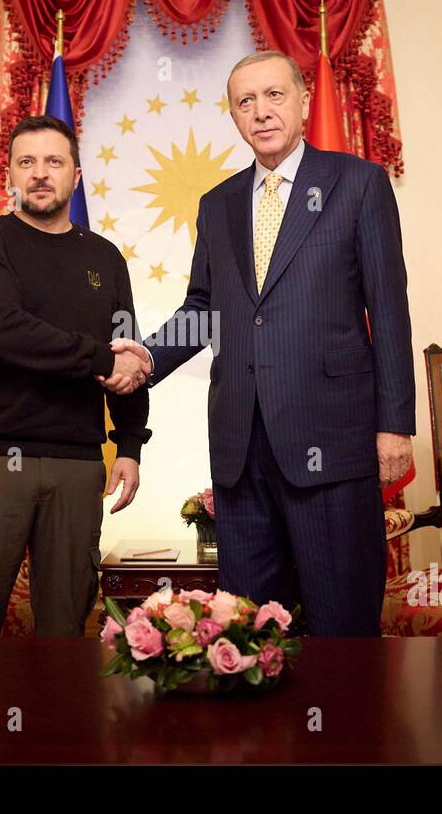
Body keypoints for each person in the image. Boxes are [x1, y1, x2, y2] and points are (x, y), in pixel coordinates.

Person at [115, 51, 414, 636]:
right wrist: (148, 356)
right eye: (245, 101)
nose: (261, 111)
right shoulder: (218, 204)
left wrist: (394, 423)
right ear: (233, 116)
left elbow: (390, 310)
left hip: (332, 442)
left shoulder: (358, 184)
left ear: (303, 101)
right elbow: (204, 309)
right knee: (249, 635)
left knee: (342, 631)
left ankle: (344, 729)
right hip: (240, 451)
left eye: (274, 95)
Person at [0, 114, 152, 637]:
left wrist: (129, 443)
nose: (40, 173)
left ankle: (60, 724)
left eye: (53, 162)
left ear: (76, 176)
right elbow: (7, 333)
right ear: (9, 174)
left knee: (66, 629)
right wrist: (104, 361)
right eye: (26, 162)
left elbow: (127, 349)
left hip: (78, 464)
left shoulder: (104, 257)